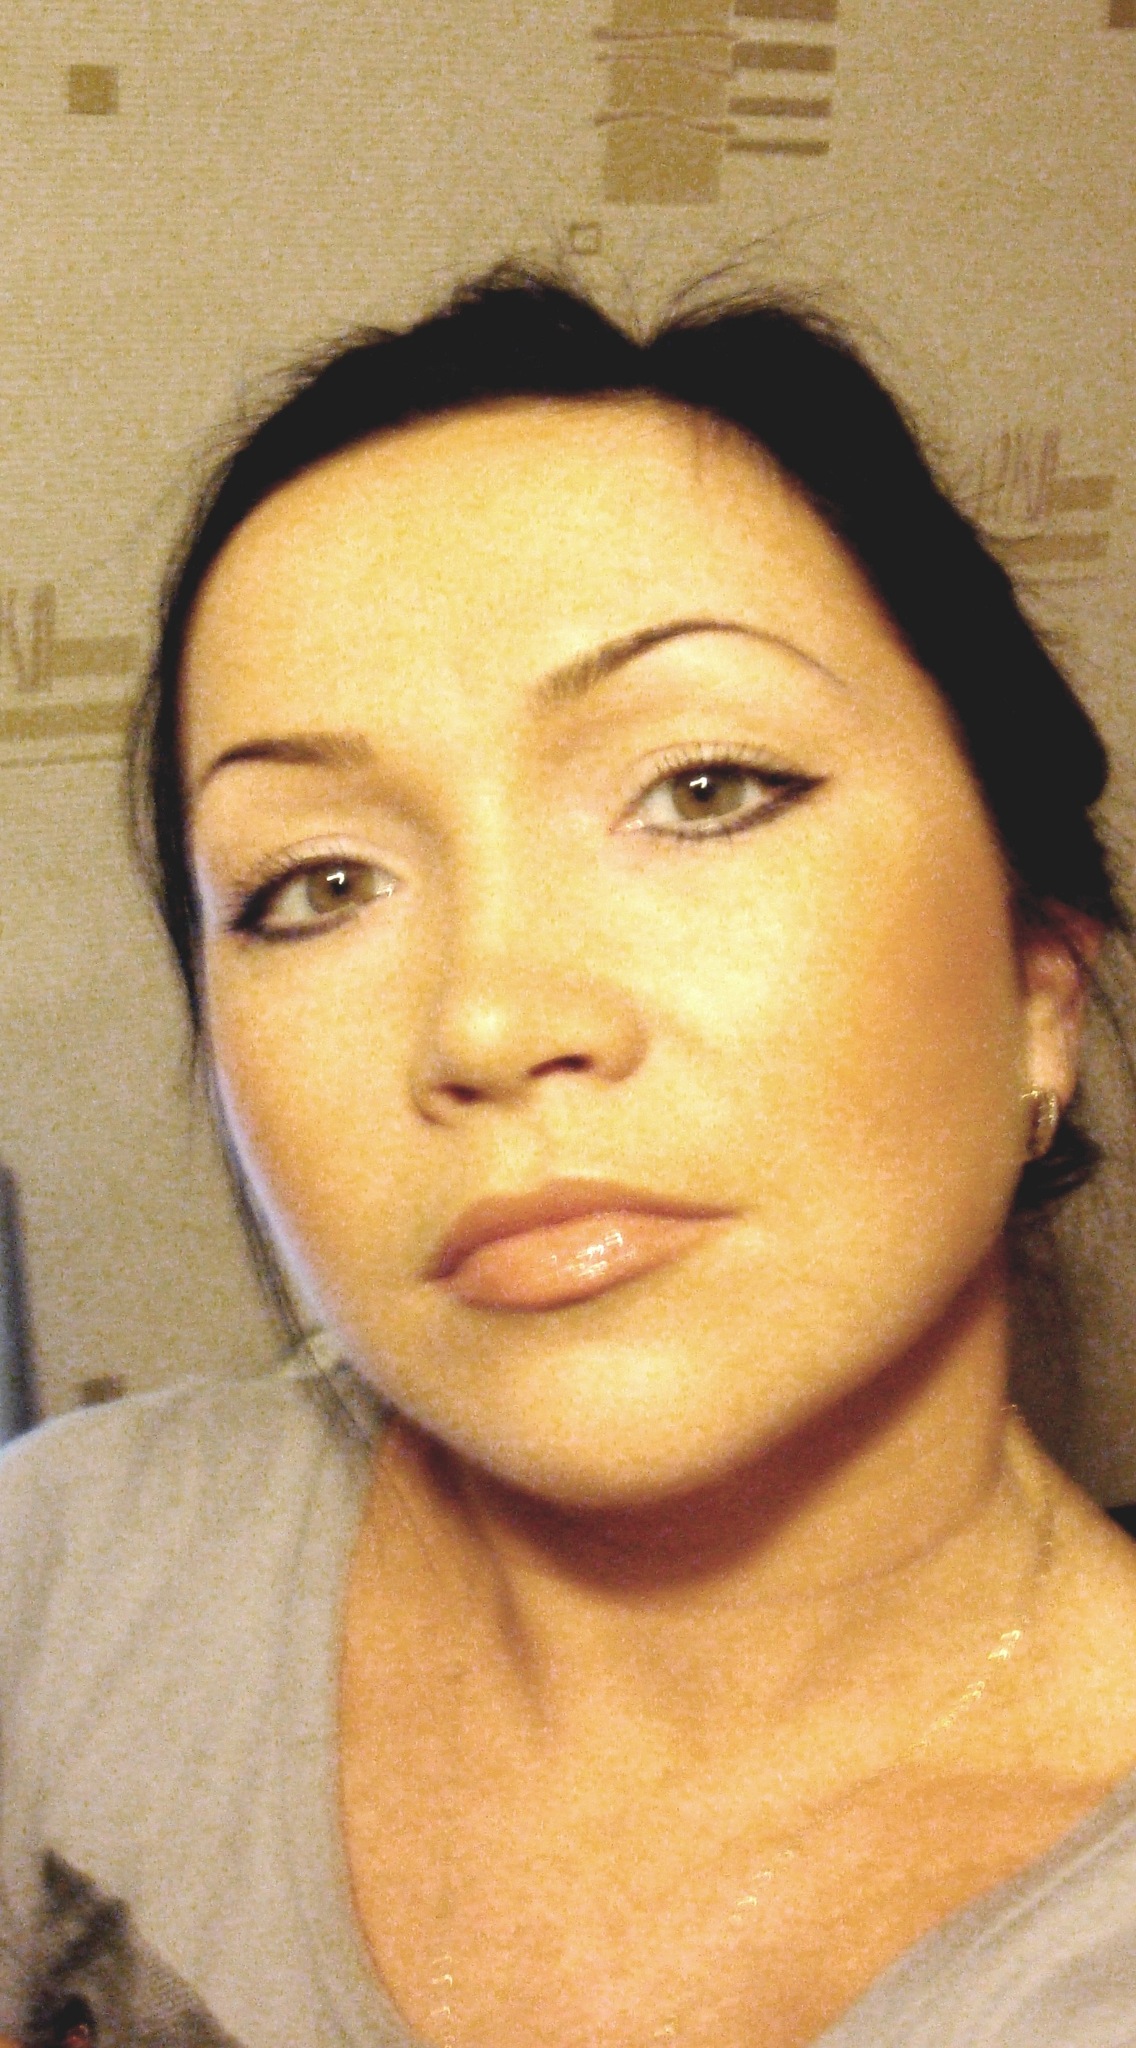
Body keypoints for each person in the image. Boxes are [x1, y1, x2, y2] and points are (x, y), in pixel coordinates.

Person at [3, 268, 1136, 2048]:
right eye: (317, 885)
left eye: (703, 788)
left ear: (1037, 990)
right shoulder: (66, 1574)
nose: (487, 1020)